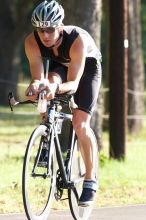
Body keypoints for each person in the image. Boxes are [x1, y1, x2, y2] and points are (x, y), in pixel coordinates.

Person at [25, 0, 102, 207]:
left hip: (86, 70)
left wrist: (55, 89)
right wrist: (35, 87)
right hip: (61, 66)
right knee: (45, 86)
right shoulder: (32, 42)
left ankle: (90, 179)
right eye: (40, 30)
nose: (45, 35)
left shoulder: (76, 40)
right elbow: (37, 77)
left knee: (79, 124)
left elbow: (74, 84)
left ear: (60, 26)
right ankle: (47, 137)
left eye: (50, 29)